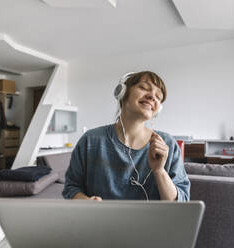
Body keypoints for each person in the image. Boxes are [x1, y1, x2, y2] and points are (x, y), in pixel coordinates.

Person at [62, 71, 190, 201]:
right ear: (122, 93)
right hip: (100, 220)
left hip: (151, 221)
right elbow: (71, 188)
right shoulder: (90, 141)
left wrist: (159, 171)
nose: (152, 97)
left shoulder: (168, 144)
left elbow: (182, 202)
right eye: (144, 88)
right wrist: (87, 202)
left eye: (158, 97)